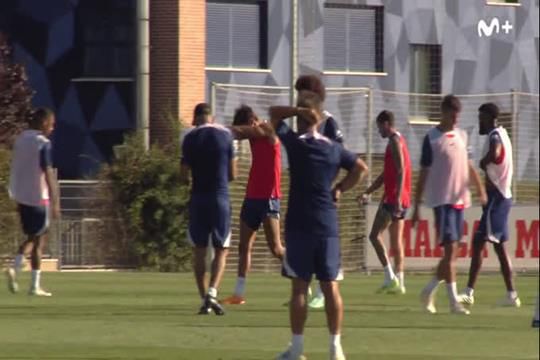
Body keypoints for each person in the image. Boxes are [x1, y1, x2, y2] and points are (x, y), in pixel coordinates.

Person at [271, 91, 368, 360]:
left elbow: (274, 113)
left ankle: (298, 348)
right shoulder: (333, 148)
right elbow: (361, 168)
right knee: (330, 286)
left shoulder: (295, 144)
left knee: (300, 288)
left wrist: (295, 111)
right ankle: (335, 348)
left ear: (303, 117)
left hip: (299, 225)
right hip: (326, 225)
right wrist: (340, 189)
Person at [412, 95, 487, 315]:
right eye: (452, 115)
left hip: (459, 201)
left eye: (457, 116)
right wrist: (416, 206)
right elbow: (423, 175)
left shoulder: (462, 136)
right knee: (451, 250)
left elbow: (470, 166)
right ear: (443, 113)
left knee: (452, 254)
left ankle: (430, 289)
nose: (455, 120)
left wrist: (480, 190)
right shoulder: (432, 138)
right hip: (441, 201)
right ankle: (454, 302)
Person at [459, 103, 521, 307]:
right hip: (501, 197)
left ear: (489, 118)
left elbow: (495, 153)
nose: (479, 122)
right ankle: (512, 295)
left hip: (497, 198)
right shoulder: (503, 133)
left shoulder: (495, 135)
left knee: (478, 243)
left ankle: (469, 292)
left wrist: (482, 162)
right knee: (500, 247)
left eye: (481, 118)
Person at [222, 105, 284, 305]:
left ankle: (304, 279)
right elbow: (240, 133)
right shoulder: (253, 136)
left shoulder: (266, 129)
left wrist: (217, 129)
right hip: (252, 197)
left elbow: (240, 132)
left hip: (269, 197)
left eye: (244, 126)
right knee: (243, 247)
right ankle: (238, 294)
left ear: (250, 121)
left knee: (276, 249)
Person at [180, 103, 237, 316]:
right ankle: (213, 292)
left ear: (196, 118)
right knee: (222, 248)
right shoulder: (226, 136)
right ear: (211, 117)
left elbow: (183, 174)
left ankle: (205, 297)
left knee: (199, 249)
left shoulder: (189, 138)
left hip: (198, 198)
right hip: (220, 197)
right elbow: (233, 174)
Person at [294, 74, 345, 309]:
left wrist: (331, 185)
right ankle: (308, 290)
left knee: (327, 242)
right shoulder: (300, 122)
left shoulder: (328, 123)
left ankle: (325, 292)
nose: (298, 97)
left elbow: (338, 157)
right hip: (303, 194)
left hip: (323, 194)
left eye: (302, 92)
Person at [5, 108, 60, 296]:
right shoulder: (42, 143)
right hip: (39, 197)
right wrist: (55, 200)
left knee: (32, 236)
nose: (52, 128)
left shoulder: (21, 140)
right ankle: (30, 281)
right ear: (44, 123)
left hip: (22, 196)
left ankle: (19, 269)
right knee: (39, 239)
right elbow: (48, 172)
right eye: (51, 124)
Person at [360, 110, 411, 294]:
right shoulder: (399, 140)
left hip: (394, 198)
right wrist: (369, 190)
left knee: (374, 236)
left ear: (386, 124)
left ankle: (390, 277)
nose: (378, 131)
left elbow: (401, 170)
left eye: (379, 127)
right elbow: (387, 174)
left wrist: (395, 197)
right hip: (402, 198)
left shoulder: (394, 142)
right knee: (397, 241)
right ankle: (401, 282)